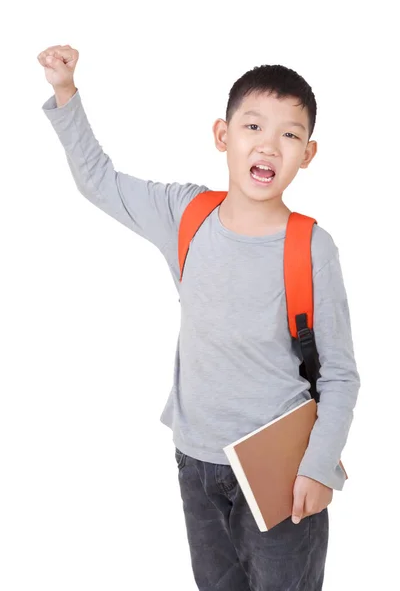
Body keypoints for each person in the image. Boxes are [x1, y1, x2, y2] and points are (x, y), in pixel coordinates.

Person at [38, 45, 360, 591]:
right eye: (253, 125)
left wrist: (317, 467)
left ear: (307, 154)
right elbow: (100, 182)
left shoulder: (312, 247)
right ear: (222, 135)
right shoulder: (186, 214)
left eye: (289, 134)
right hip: (195, 458)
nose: (268, 143)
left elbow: (340, 375)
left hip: (281, 470)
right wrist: (66, 93)